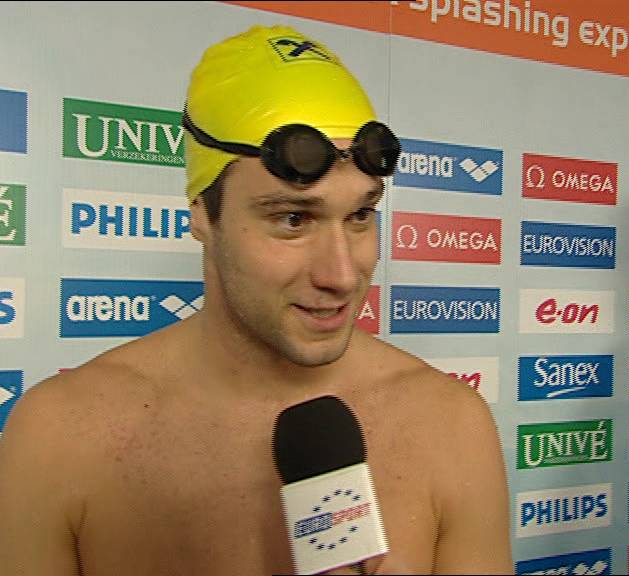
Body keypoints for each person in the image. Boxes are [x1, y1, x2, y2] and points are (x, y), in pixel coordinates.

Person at [0, 25, 513, 575]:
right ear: (203, 213)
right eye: (293, 219)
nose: (342, 275)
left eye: (360, 215)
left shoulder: (452, 425)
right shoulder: (59, 436)